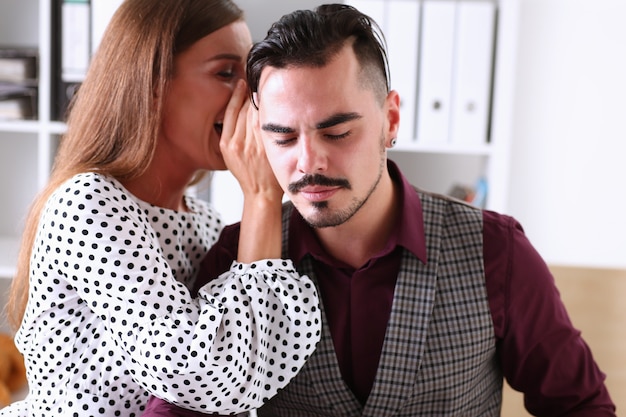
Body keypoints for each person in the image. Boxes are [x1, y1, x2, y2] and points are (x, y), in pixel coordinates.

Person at [142, 3, 617, 416]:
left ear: (390, 119)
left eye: (337, 132)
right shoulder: (237, 255)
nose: (308, 163)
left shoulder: (496, 251)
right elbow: (185, 406)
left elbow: (580, 405)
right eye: (283, 136)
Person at [1, 1, 322, 416]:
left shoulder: (206, 225)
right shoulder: (87, 203)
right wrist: (261, 197)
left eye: (250, 76)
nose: (251, 100)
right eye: (226, 73)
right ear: (152, 83)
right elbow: (200, 376)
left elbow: (254, 370)